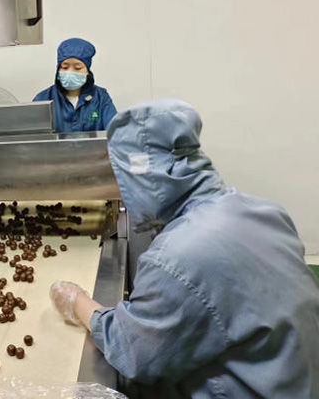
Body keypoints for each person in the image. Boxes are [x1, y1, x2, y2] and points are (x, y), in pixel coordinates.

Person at [50, 100, 319, 398]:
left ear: (144, 176)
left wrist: (78, 303)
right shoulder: (265, 211)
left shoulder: (178, 257)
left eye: (123, 179)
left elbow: (134, 352)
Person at [33, 38, 117, 133]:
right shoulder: (43, 99)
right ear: (58, 70)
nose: (70, 72)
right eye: (65, 67)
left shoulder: (100, 97)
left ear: (87, 71)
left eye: (77, 68)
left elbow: (114, 132)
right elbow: (33, 136)